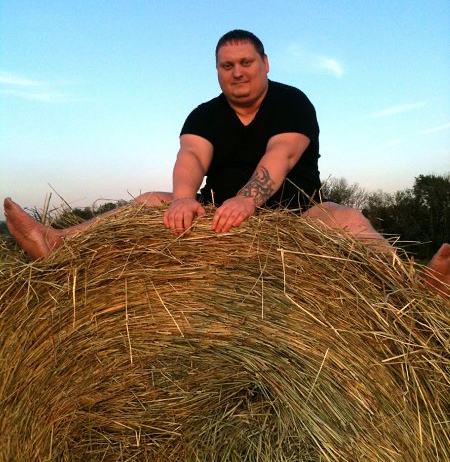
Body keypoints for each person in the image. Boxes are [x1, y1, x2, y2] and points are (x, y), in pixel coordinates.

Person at [4, 30, 450, 297]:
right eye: (226, 65)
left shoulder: (292, 102)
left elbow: (281, 155)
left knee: (348, 218)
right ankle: (58, 242)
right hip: (215, 213)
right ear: (217, 70)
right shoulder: (204, 115)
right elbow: (191, 156)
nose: (237, 72)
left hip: (298, 214)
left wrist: (247, 201)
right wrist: (183, 198)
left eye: (246, 62)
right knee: (150, 200)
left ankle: (413, 291)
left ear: (265, 63)